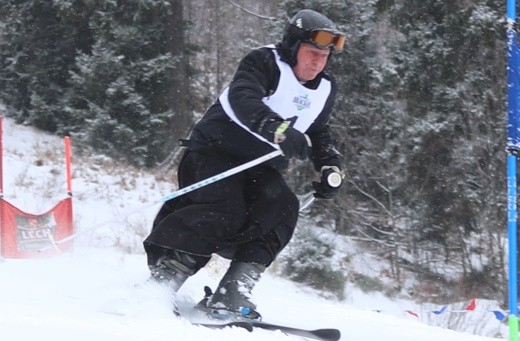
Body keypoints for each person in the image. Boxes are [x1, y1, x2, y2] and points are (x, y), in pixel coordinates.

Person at [143, 9, 346, 320]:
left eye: (324, 56)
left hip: (259, 167)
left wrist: (329, 166)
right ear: (293, 47)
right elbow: (243, 98)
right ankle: (164, 281)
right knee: (224, 210)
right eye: (311, 52)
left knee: (283, 207)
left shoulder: (325, 88)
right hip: (212, 153)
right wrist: (277, 129)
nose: (317, 62)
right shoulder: (265, 62)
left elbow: (318, 129)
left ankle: (233, 290)